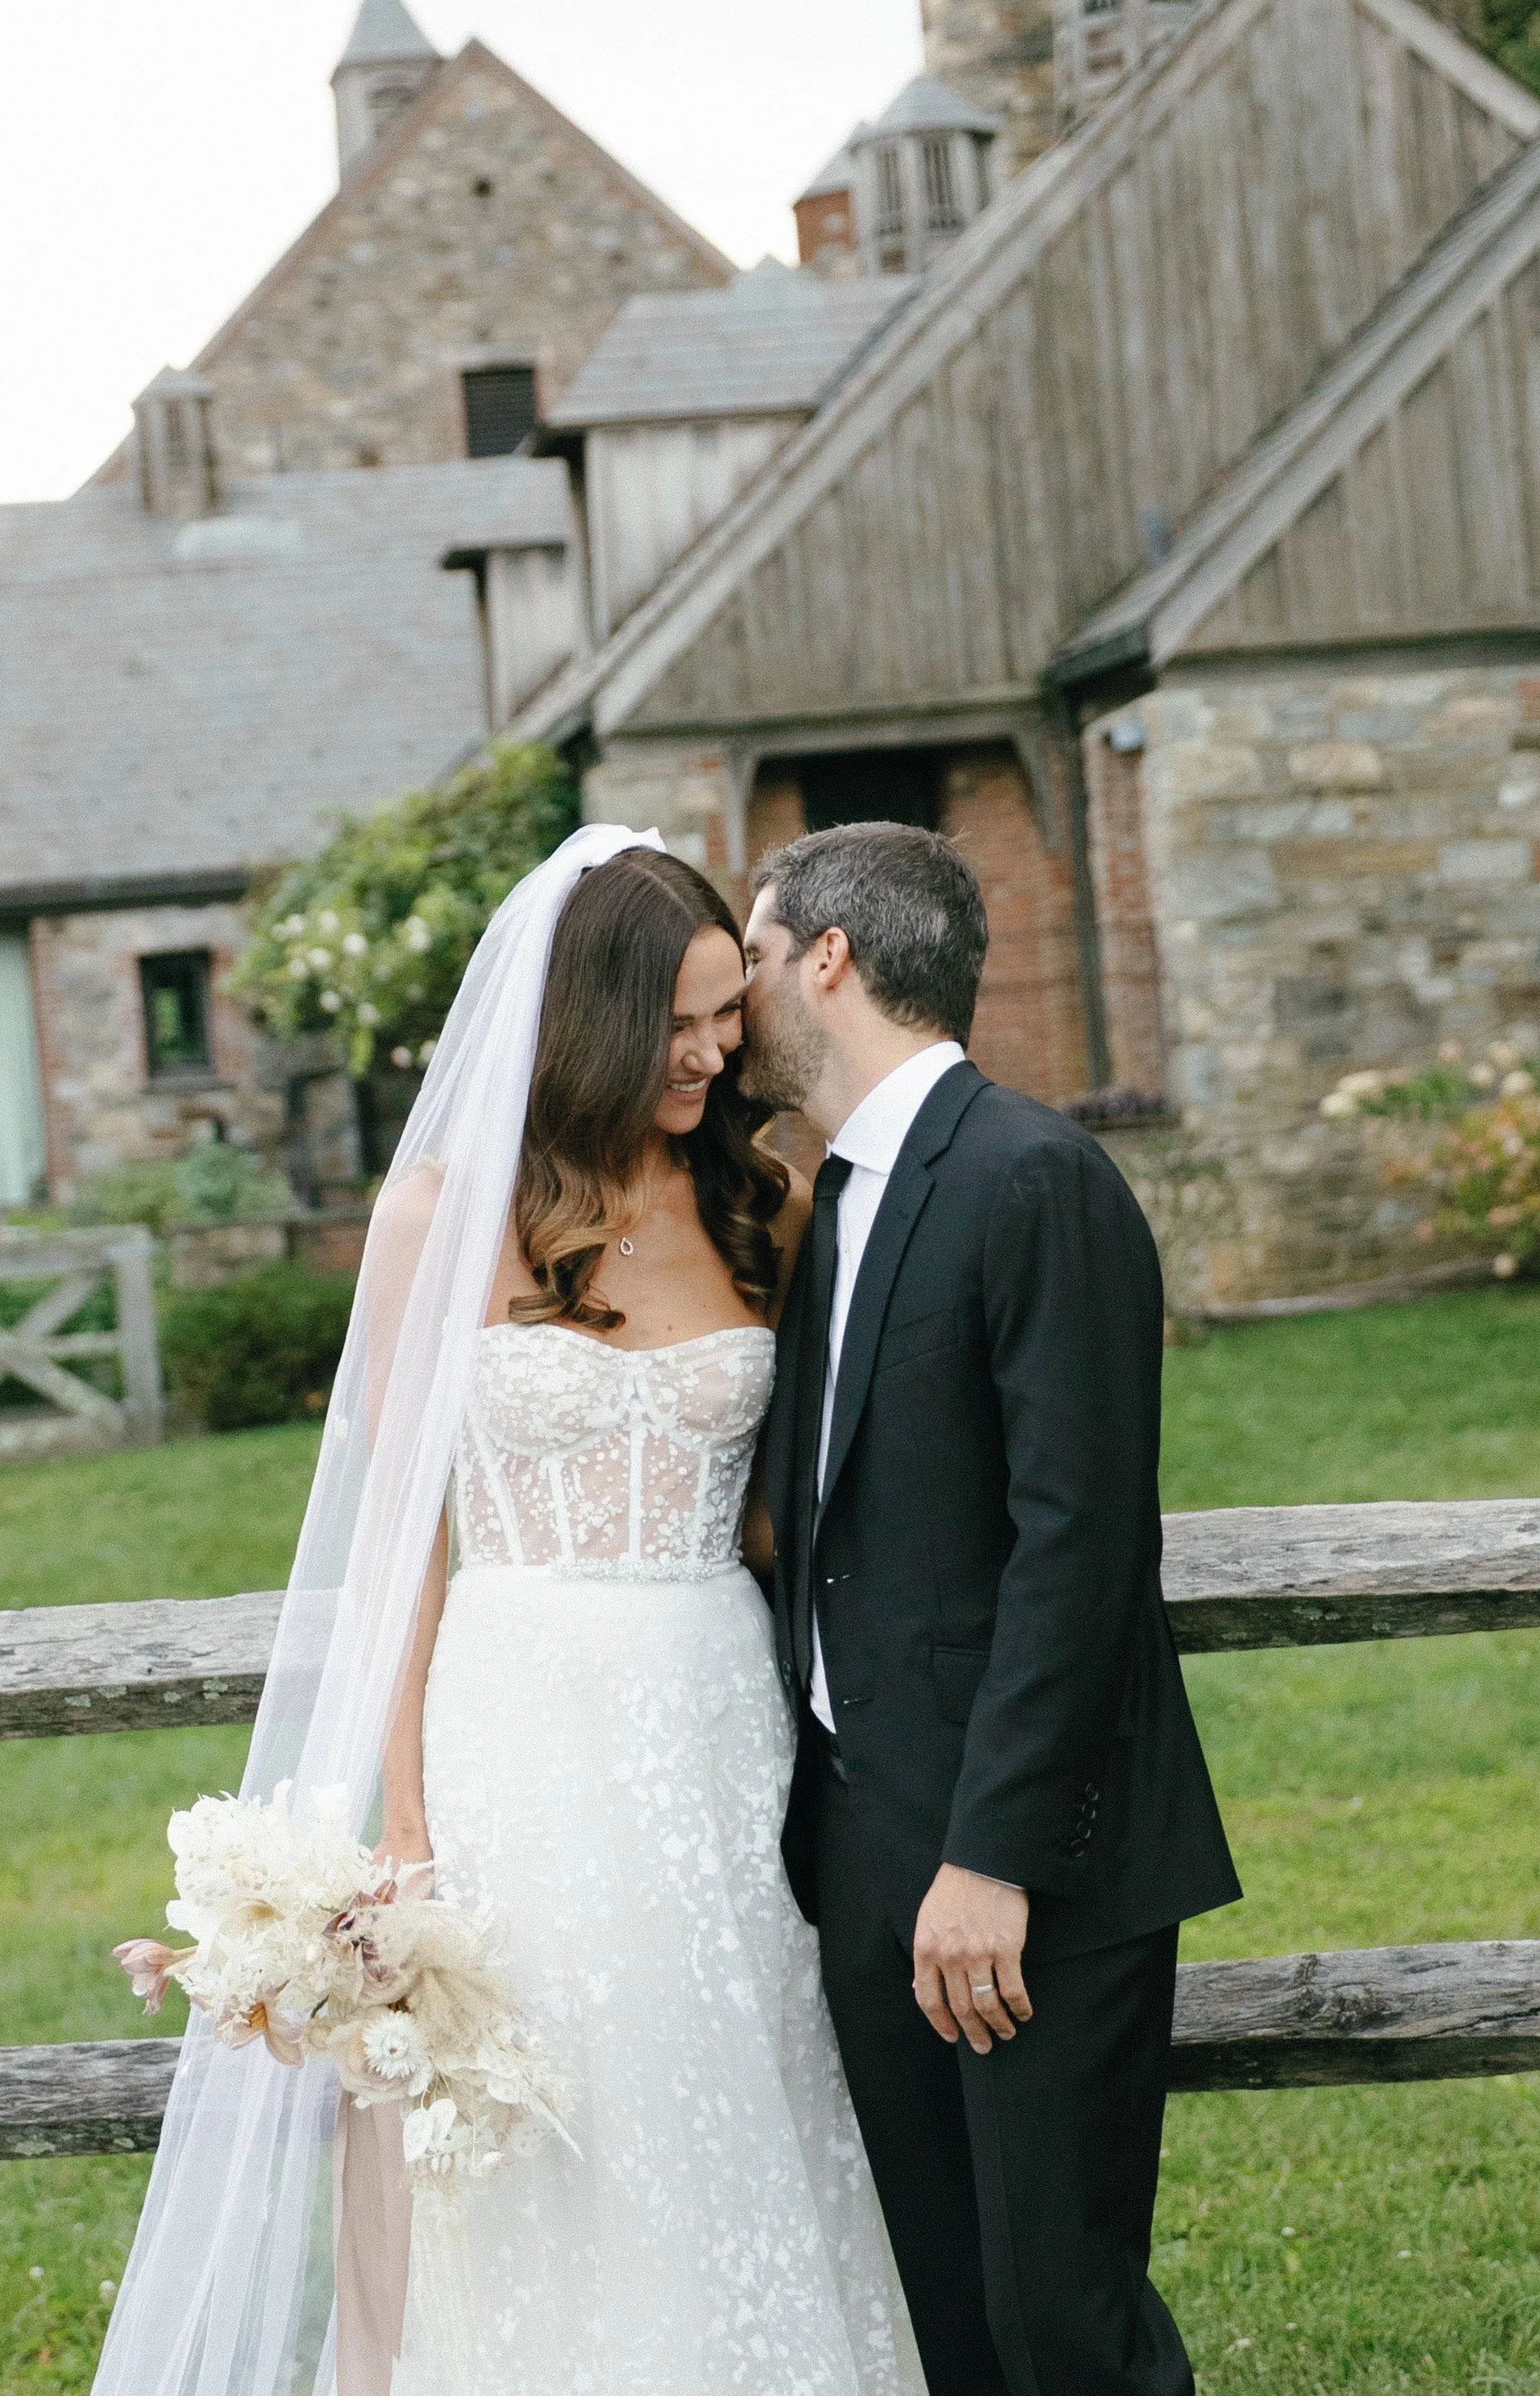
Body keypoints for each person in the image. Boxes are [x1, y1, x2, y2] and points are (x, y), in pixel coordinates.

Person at [337, 842, 924, 2393]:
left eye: (729, 1013)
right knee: (548, 2095)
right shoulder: (440, 1214)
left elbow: (797, 1492)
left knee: (725, 2070)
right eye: (679, 1021)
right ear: (583, 1017)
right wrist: (404, 1826)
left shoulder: (767, 1200)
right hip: (516, 1720)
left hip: (715, 1706)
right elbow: (400, 1551)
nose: (716, 1050)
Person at [741, 822, 1240, 2396]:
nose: (730, 1000)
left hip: (1023, 1868)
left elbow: (1079, 1548)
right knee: (946, 2329)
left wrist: (989, 1860)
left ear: (825, 959)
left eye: (749, 960)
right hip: (872, 1846)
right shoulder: (843, 1199)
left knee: (1056, 2325)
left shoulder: (1030, 1179)